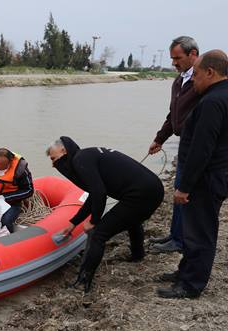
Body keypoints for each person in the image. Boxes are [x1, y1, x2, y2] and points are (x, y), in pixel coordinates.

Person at [47, 136, 164, 293]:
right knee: (131, 219)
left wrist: (94, 221)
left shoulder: (80, 159)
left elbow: (99, 193)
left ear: (63, 150)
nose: (54, 165)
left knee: (98, 234)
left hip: (142, 194)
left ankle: (83, 282)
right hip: (152, 188)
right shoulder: (86, 156)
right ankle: (138, 255)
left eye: (54, 159)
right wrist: (74, 223)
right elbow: (94, 194)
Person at [157, 50, 228, 299]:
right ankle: (185, 272)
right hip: (215, 175)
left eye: (196, 76)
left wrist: (184, 186)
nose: (193, 81)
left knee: (200, 232)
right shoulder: (220, 96)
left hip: (205, 179)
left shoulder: (212, 102)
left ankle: (191, 285)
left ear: (210, 72)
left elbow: (202, 148)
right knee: (193, 229)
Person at [149, 36, 201, 254]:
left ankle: (180, 240)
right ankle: (175, 235)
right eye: (172, 58)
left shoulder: (202, 81)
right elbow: (174, 115)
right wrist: (160, 139)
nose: (173, 63)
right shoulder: (179, 81)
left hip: (197, 145)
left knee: (184, 192)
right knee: (179, 190)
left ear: (193, 54)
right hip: (184, 144)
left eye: (177, 58)